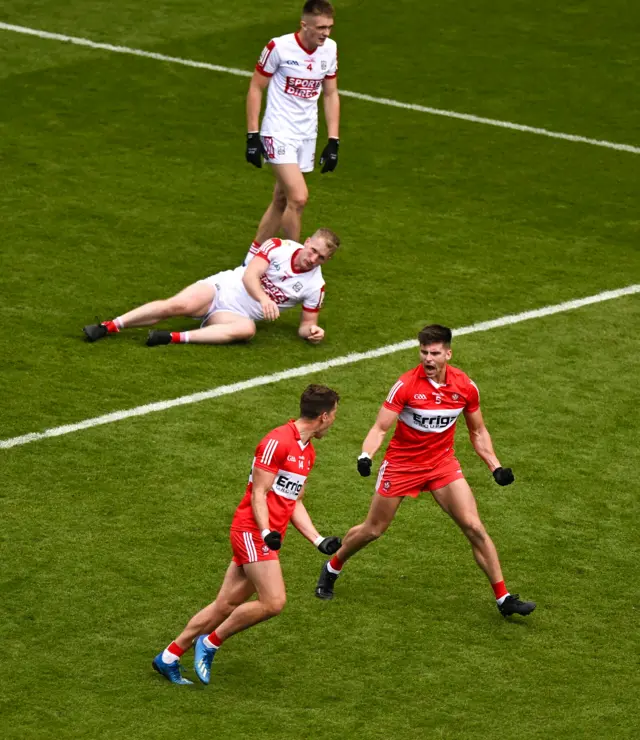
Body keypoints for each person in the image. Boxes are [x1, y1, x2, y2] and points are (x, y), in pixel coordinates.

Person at [315, 324, 536, 618]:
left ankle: (503, 597)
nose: (428, 359)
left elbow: (478, 431)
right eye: (423, 352)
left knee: (474, 527)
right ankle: (333, 566)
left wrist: (495, 466)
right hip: (402, 465)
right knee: (373, 529)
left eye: (434, 353)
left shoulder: (465, 387)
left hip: (442, 464)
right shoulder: (406, 385)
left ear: (448, 353)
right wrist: (366, 455)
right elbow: (380, 428)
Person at [152, 384, 342, 685]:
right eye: (334, 414)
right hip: (252, 532)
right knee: (273, 602)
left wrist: (318, 540)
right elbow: (258, 493)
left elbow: (294, 502)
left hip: (266, 535)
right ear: (323, 416)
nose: (334, 420)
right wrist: (266, 531)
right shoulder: (276, 442)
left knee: (224, 605)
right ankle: (211, 641)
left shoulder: (308, 452)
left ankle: (169, 656)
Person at [82, 229, 339, 346]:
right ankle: (110, 326)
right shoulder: (278, 246)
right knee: (178, 305)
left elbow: (306, 324)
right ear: (306, 242)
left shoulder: (316, 286)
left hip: (236, 315)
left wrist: (314, 332)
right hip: (222, 288)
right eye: (313, 250)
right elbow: (250, 275)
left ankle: (171, 338)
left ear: (328, 261)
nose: (313, 259)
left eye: (321, 258)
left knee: (247, 330)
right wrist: (264, 299)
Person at [244, 0, 340, 265]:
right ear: (304, 24)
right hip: (278, 131)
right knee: (298, 197)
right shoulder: (278, 47)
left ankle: (251, 258)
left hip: (306, 133)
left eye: (330, 27)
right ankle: (294, 260)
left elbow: (330, 93)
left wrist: (333, 140)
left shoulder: (330, 50)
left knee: (281, 199)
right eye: (320, 27)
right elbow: (255, 88)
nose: (326, 33)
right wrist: (252, 136)